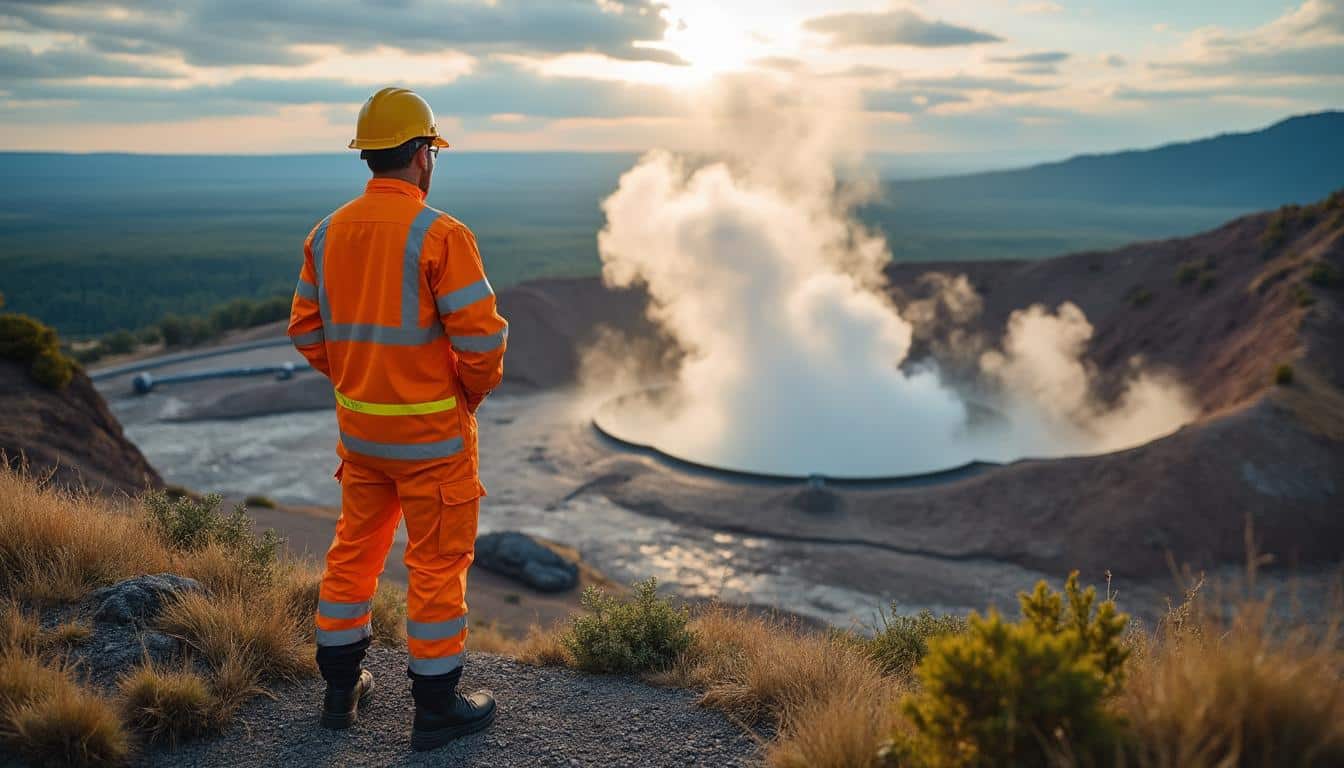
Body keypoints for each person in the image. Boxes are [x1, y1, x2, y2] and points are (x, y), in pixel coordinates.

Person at [287, 86, 508, 751]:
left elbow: (305, 329)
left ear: (369, 158)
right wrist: (465, 396)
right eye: (432, 150)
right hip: (433, 443)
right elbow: (484, 344)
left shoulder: (326, 233)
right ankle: (436, 711)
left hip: (363, 441)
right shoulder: (442, 234)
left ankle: (339, 693)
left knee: (353, 554)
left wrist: (360, 381)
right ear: (420, 156)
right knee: (437, 567)